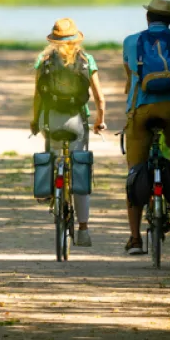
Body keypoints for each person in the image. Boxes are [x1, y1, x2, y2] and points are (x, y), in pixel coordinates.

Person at [122, 0, 170, 255]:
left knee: (134, 172)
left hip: (140, 110)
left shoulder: (131, 42)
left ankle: (135, 239)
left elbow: (129, 78)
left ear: (147, 16)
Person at [31, 17, 107, 247]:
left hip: (51, 121)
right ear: (76, 39)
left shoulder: (44, 60)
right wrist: (99, 122)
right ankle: (83, 230)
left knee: (53, 155)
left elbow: (38, 96)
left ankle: (50, 189)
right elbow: (100, 99)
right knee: (79, 167)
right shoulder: (86, 60)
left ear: (53, 40)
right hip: (77, 122)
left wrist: (35, 121)